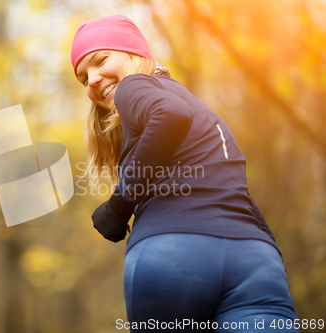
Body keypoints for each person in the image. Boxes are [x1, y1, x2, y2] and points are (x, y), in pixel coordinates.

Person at [70, 14, 299, 332]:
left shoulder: (135, 86)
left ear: (136, 54)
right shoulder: (201, 109)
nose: (92, 78)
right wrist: (269, 253)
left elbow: (169, 115)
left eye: (100, 59)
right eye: (83, 78)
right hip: (255, 260)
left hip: (175, 253)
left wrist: (118, 206)